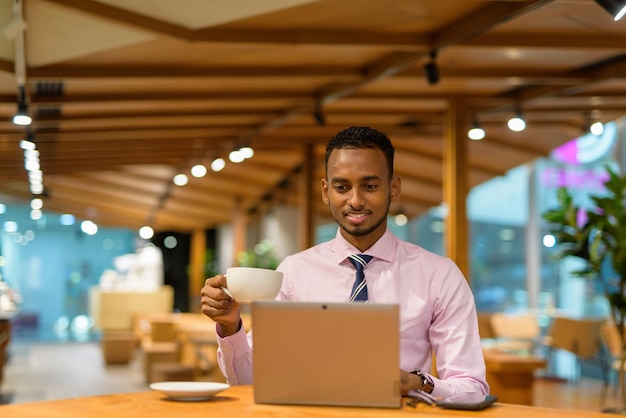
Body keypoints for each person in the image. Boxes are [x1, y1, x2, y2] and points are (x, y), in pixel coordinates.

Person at [201, 125, 489, 398]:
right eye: (342, 187)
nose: (355, 200)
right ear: (326, 191)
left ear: (394, 188)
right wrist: (230, 327)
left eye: (370, 186)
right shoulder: (293, 273)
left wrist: (418, 383)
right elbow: (250, 383)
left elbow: (472, 389)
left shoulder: (438, 275)